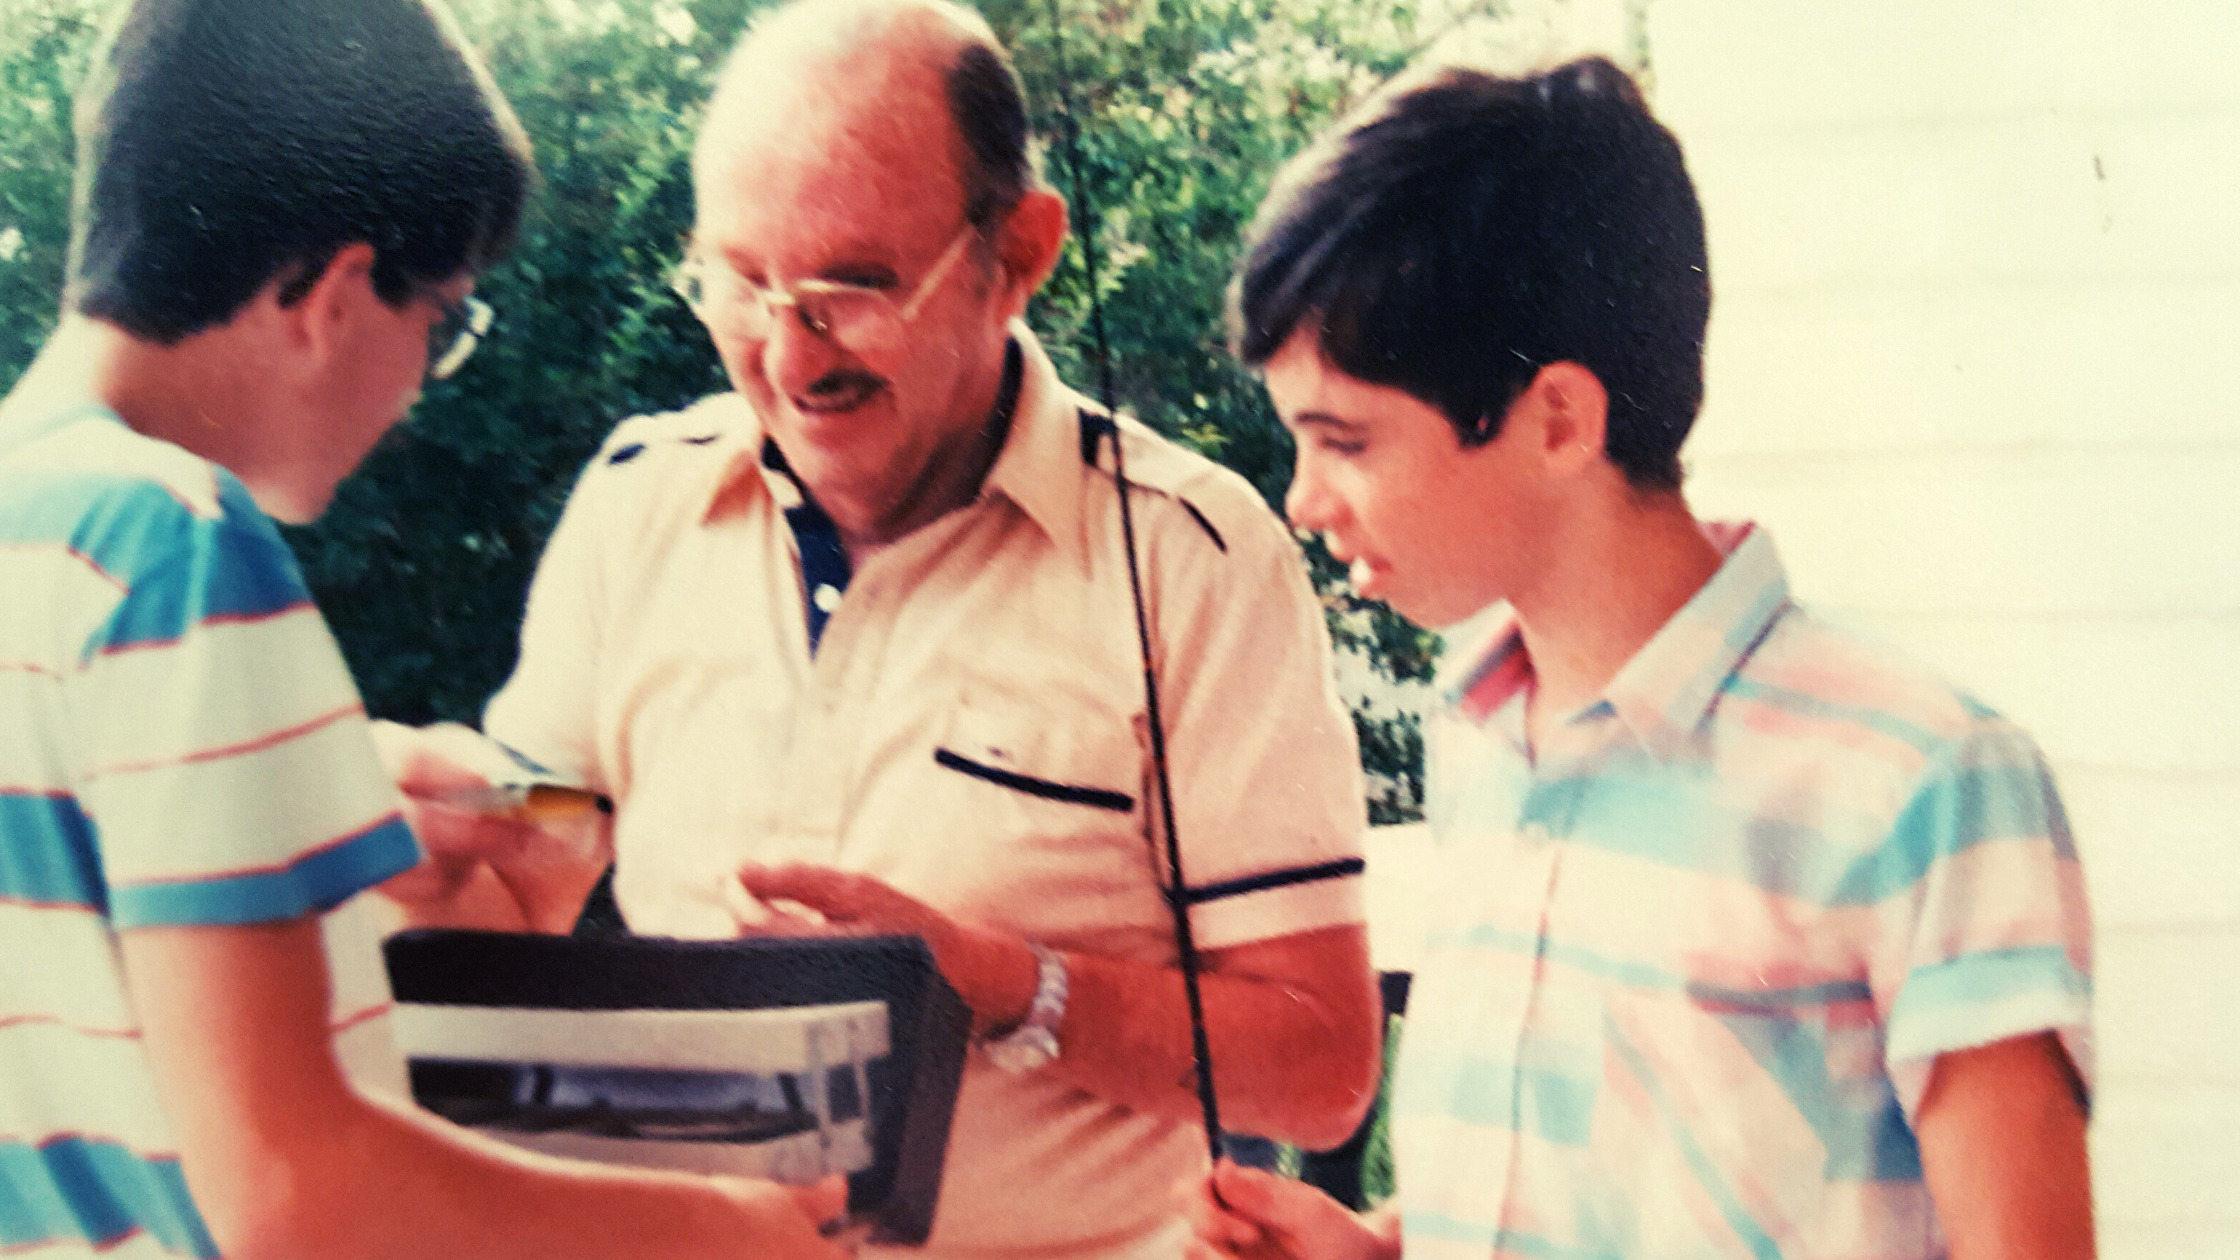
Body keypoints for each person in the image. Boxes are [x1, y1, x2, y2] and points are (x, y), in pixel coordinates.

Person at [376, 0, 1384, 1255]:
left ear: (1018, 252)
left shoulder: (1192, 558)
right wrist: (458, 832)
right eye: (739, 283)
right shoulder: (637, 501)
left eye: (852, 288)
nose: (789, 358)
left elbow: (1320, 1067)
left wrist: (1002, 986)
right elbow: (552, 839)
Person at [1184, 57, 2095, 1260]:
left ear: (1558, 419)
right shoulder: (1479, 740)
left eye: (1344, 440)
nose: (1303, 501)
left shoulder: (1924, 781)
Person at [0, 1, 846, 1256]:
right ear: (335, 292)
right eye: (442, 322)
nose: (417, 385)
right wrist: (725, 1230)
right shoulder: (175, 544)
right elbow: (295, 1191)